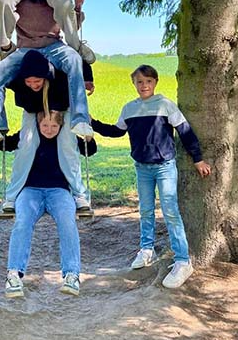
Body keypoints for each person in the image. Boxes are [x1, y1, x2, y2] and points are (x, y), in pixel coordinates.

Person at [91, 65, 212, 289]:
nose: (144, 85)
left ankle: (183, 261)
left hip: (164, 167)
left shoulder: (165, 105)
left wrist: (198, 159)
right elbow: (117, 131)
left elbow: (185, 131)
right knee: (145, 210)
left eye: (148, 81)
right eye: (139, 82)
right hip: (142, 168)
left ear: (155, 82)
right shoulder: (129, 108)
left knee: (170, 211)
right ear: (134, 83)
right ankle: (147, 250)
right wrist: (92, 123)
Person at [0, 0, 94, 143]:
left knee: (74, 59)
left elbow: (70, 24)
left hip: (53, 45)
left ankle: (80, 119)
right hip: (25, 49)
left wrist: (77, 7)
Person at [1, 110, 96, 299]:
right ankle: (14, 275)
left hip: (59, 191)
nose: (49, 130)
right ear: (37, 124)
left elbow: (90, 150)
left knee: (67, 221)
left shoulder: (66, 139)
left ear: (61, 125)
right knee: (22, 222)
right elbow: (5, 145)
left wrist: (88, 136)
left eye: (54, 126)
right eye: (45, 125)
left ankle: (72, 274)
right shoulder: (28, 137)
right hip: (30, 191)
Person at [0, 49, 94, 212]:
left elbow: (77, 61)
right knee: (26, 146)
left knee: (67, 145)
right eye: (29, 82)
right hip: (34, 110)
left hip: (63, 108)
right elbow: (0, 72)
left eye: (37, 81)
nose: (33, 85)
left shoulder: (58, 72)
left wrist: (88, 78)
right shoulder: (18, 77)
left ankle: (80, 195)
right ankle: (11, 198)